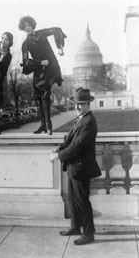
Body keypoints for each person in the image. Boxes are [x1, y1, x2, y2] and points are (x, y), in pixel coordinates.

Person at [50, 88, 101, 245]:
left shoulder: (89, 122)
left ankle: (88, 233)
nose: (78, 107)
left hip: (81, 167)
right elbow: (69, 140)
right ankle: (75, 227)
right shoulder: (80, 119)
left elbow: (77, 146)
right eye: (76, 104)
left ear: (88, 104)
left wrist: (58, 155)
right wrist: (58, 149)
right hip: (74, 166)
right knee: (72, 199)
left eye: (81, 104)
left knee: (82, 201)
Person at [18, 16, 66, 135]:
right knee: (39, 97)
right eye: (25, 27)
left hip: (50, 66)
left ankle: (48, 125)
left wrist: (60, 47)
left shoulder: (42, 33)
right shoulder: (25, 44)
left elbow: (56, 30)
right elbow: (26, 62)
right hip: (39, 69)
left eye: (29, 25)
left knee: (45, 94)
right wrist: (39, 62)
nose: (27, 28)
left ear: (33, 25)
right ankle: (43, 125)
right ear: (23, 29)